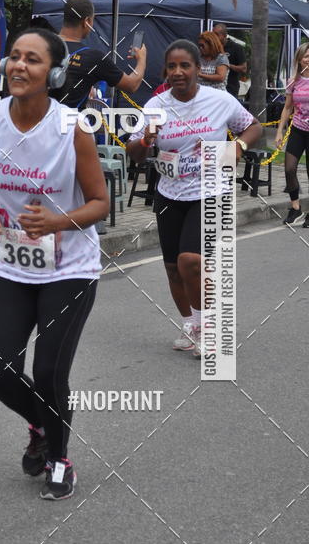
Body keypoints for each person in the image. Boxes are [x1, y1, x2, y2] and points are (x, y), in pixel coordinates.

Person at [0, 27, 109, 501]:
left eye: (32, 59)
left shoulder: (73, 128)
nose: (19, 66)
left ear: (52, 71)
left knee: (50, 371)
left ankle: (59, 459)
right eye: (13, 56)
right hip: (10, 261)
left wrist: (57, 221)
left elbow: (100, 202)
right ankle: (41, 422)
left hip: (69, 266)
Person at [127, 39, 261, 356]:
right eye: (171, 66)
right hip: (169, 194)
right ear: (165, 71)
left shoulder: (219, 101)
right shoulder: (155, 106)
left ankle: (210, 327)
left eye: (185, 65)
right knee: (173, 268)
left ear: (198, 69)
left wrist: (236, 148)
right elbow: (133, 153)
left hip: (211, 192)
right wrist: (146, 139)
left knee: (192, 261)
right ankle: (191, 323)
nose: (178, 72)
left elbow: (253, 127)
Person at [48, 0, 146, 109]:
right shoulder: (94, 58)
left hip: (36, 121)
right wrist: (142, 59)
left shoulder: (42, 46)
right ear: (86, 21)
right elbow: (131, 85)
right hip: (69, 123)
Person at [276, 42, 309, 227]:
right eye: (306, 56)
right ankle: (295, 208)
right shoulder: (293, 80)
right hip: (298, 129)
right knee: (289, 168)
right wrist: (279, 132)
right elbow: (287, 108)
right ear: (299, 59)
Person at [213, 23, 248, 97]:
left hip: (230, 88)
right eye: (213, 34)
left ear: (224, 35)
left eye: (217, 34)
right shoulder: (212, 48)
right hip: (215, 88)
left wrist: (226, 64)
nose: (214, 37)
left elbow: (244, 69)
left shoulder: (236, 48)